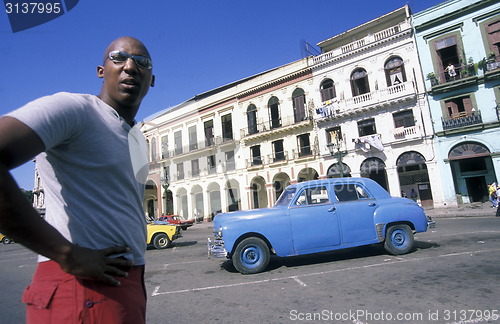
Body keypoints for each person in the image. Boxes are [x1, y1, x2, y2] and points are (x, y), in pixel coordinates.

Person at [0, 36, 155, 324]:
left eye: (142, 62)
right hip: (80, 287)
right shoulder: (74, 110)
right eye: (118, 58)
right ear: (101, 70)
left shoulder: (135, 138)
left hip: (125, 284)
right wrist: (65, 253)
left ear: (152, 79)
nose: (131, 66)